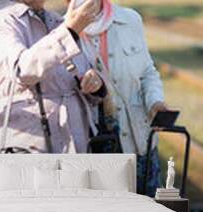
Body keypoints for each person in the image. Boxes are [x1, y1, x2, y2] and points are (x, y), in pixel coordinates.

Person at [65, 0, 170, 196]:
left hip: (138, 142)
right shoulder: (61, 33)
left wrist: (155, 101)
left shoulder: (130, 20)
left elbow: (147, 72)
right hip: (93, 149)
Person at [0, 0, 107, 154]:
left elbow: (81, 78)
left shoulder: (57, 21)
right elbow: (22, 70)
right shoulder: (1, 22)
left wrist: (95, 84)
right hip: (29, 151)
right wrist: (70, 31)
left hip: (76, 149)